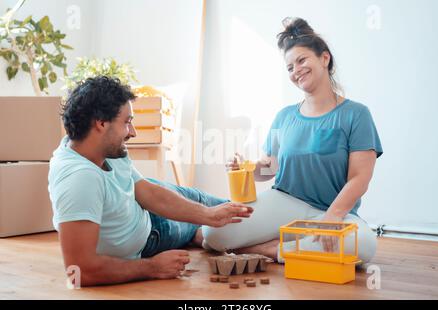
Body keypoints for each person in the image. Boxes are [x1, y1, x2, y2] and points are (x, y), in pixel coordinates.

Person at [202, 17, 383, 265]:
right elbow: (270, 167)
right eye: (289, 67)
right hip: (285, 201)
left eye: (301, 60)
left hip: (331, 210)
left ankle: (272, 249)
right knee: (214, 234)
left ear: (324, 58)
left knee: (363, 244)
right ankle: (297, 246)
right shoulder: (284, 117)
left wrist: (332, 218)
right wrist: (246, 168)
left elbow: (360, 178)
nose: (296, 70)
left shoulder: (356, 114)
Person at [48, 76, 253, 287]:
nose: (133, 132)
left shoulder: (101, 149)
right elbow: (80, 272)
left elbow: (149, 192)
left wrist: (208, 214)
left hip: (139, 206)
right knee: (221, 224)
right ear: (100, 123)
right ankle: (210, 235)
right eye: (127, 122)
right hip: (153, 234)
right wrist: (152, 267)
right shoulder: (78, 179)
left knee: (218, 209)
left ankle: (208, 231)